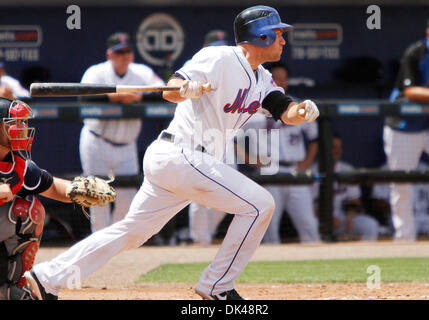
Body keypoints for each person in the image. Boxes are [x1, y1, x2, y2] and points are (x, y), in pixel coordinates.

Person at [25, 5, 319, 300]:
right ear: (262, 35)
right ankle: (217, 285)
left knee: (132, 232)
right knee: (260, 205)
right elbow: (170, 90)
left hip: (185, 162)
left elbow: (284, 109)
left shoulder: (263, 78)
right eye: (279, 33)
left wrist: (302, 110)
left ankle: (47, 276)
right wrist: (184, 89)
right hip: (181, 154)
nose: (283, 40)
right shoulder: (218, 57)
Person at [0, 98, 85, 300]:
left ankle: (12, 287)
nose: (21, 128)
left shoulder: (19, 166)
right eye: (13, 123)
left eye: (22, 122)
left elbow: (52, 186)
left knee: (29, 210)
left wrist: (78, 190)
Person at [79, 32, 165, 232]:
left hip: (127, 143)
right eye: (120, 52)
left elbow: (165, 92)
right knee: (97, 198)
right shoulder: (96, 72)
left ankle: (115, 242)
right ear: (110, 55)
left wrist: (138, 98)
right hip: (96, 140)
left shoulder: (141, 72)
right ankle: (98, 244)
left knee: (127, 200)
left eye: (128, 51)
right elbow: (83, 98)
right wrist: (114, 97)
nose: (125, 56)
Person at [384, 14, 429, 241]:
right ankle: (405, 238)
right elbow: (410, 91)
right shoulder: (416, 53)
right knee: (402, 182)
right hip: (404, 126)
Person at [241, 62, 320, 244]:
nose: (281, 82)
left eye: (284, 78)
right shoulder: (254, 106)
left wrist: (306, 162)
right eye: (277, 78)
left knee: (309, 226)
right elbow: (234, 137)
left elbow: (314, 139)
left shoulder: (297, 105)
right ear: (269, 80)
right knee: (269, 229)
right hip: (269, 173)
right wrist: (249, 159)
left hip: (294, 171)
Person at [188, 30, 231, 246]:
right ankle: (199, 242)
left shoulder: (231, 71)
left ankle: (206, 235)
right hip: (196, 140)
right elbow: (171, 91)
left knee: (231, 196)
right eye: (214, 47)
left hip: (224, 141)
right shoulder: (194, 67)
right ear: (205, 49)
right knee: (198, 196)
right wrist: (187, 89)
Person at [312, 134, 379, 241]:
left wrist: (350, 217)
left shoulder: (347, 169)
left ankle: (365, 256)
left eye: (340, 147)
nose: (338, 150)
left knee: (370, 225)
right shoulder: (313, 172)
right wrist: (326, 219)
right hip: (319, 220)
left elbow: (354, 200)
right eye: (334, 147)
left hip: (343, 219)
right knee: (310, 226)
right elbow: (309, 207)